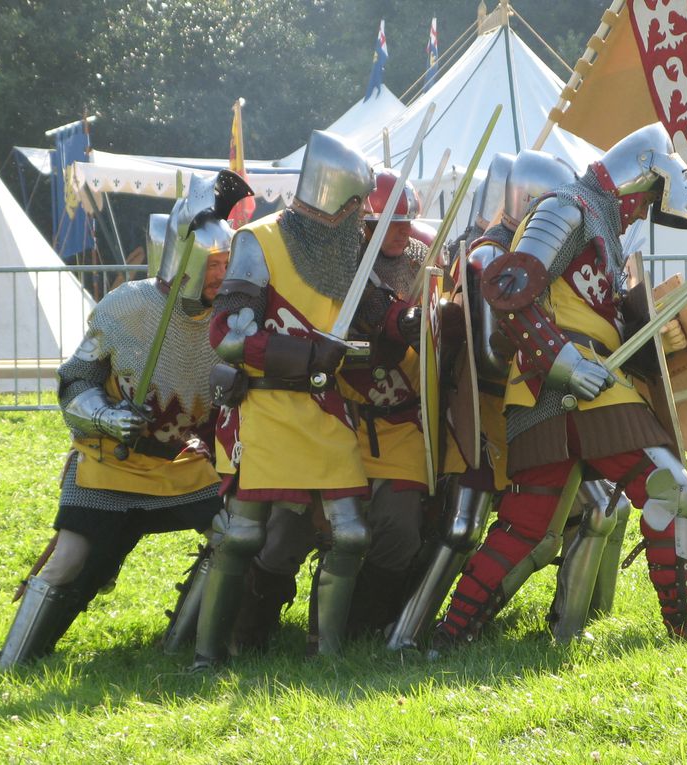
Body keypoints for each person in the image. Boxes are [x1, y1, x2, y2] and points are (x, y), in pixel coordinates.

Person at [434, 123, 687, 648]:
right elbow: (510, 287)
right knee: (672, 490)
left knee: (526, 525)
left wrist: (660, 332)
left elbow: (604, 323)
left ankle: (451, 636)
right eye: (651, 195)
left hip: (573, 385)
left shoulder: (603, 224)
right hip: (566, 382)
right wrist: (561, 360)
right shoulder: (567, 206)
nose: (645, 209)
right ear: (642, 178)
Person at [0, 170, 252, 670]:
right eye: (214, 263)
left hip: (182, 467)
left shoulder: (232, 319)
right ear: (187, 260)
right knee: (70, 561)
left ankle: (184, 644)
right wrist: (107, 417)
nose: (222, 274)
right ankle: (15, 660)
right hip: (108, 462)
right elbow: (75, 380)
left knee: (228, 538)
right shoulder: (127, 307)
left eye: (227, 263)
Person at [229, 170, 433, 648]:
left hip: (398, 420)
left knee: (400, 529)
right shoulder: (335, 262)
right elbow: (368, 310)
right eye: (389, 222)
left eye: (406, 221)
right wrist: (394, 321)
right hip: (332, 415)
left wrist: (430, 319)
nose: (402, 231)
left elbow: (416, 325)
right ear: (362, 223)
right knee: (288, 531)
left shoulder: (426, 261)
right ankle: (249, 627)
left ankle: (356, 627)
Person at [193, 130, 374, 664]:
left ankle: (329, 655)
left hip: (325, 413)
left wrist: (403, 321)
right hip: (265, 411)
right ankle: (209, 655)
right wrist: (304, 355)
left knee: (351, 535)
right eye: (358, 203)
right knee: (241, 539)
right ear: (339, 198)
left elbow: (373, 308)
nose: (362, 213)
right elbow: (226, 335)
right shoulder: (259, 241)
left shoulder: (347, 249)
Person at [387, 149, 578, 651]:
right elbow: (494, 354)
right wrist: (560, 361)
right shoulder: (490, 256)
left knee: (590, 508)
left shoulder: (539, 254)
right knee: (462, 527)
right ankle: (405, 633)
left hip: (531, 404)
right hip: (483, 409)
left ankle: (560, 624)